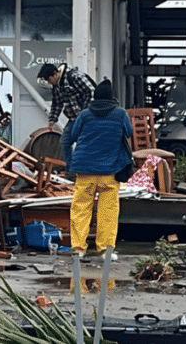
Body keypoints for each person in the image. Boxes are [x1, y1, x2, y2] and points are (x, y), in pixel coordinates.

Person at [67, 78, 132, 260]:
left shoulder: (85, 114)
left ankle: (78, 249)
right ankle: (105, 250)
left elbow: (73, 135)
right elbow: (129, 131)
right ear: (112, 98)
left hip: (85, 170)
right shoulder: (120, 114)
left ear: (95, 97)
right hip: (109, 171)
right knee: (108, 211)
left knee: (81, 209)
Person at [38, 62, 96, 164]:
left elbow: (91, 91)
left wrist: (86, 112)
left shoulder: (74, 77)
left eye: (48, 79)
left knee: (83, 143)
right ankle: (71, 170)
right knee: (64, 142)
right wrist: (52, 118)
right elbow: (57, 102)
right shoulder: (56, 86)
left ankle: (83, 168)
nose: (49, 82)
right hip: (73, 118)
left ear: (55, 74)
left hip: (86, 118)